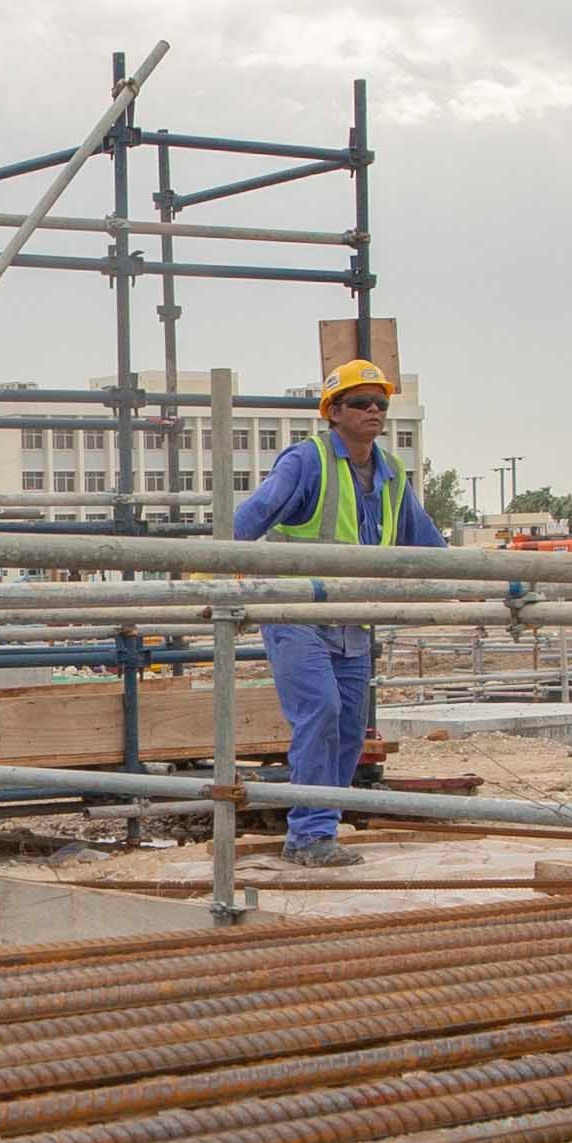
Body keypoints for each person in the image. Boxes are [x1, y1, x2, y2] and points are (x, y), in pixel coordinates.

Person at [227, 358, 446, 863]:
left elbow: (426, 544)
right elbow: (250, 517)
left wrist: (479, 578)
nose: (374, 411)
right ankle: (309, 835)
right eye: (360, 403)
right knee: (320, 712)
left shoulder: (391, 476)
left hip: (354, 621)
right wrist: (210, 567)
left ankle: (320, 827)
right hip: (296, 614)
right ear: (333, 412)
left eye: (381, 404)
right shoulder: (306, 462)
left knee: (350, 727)